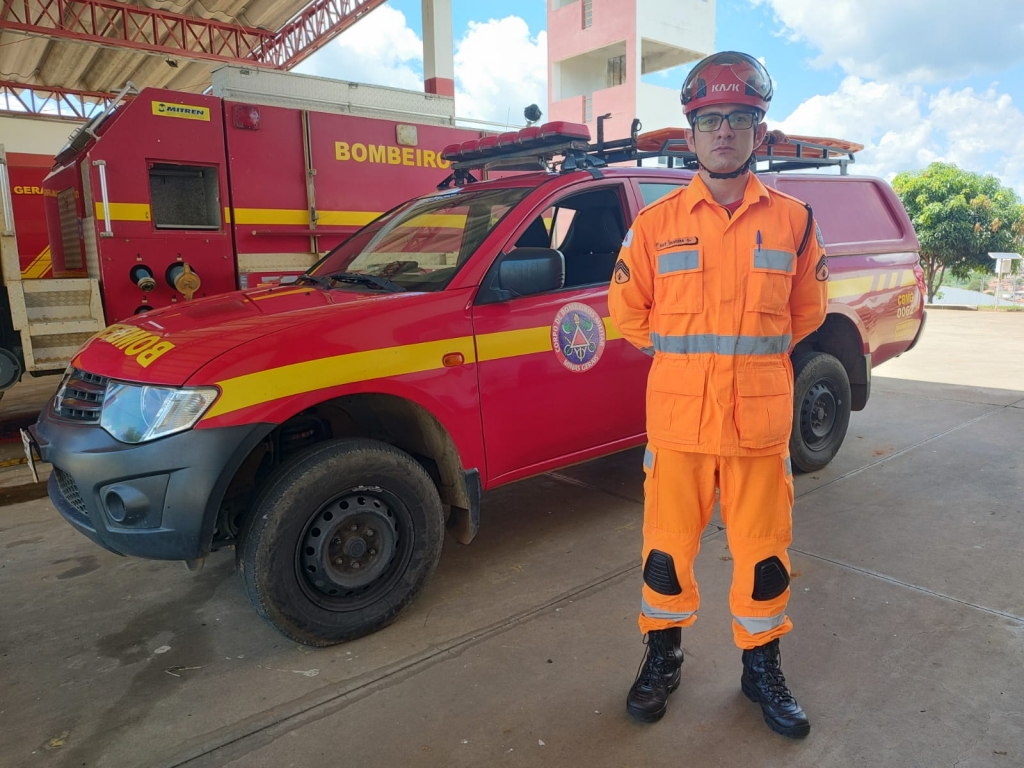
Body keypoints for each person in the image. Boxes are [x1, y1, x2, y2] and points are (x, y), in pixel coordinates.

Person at [608, 51, 829, 738]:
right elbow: (628, 312)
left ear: (759, 132)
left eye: (739, 119)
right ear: (692, 134)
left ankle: (760, 664)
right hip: (677, 427)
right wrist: (688, 366)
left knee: (764, 557)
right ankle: (663, 658)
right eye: (710, 121)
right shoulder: (656, 223)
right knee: (666, 553)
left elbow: (807, 312)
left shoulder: (793, 221)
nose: (724, 132)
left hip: (758, 429)